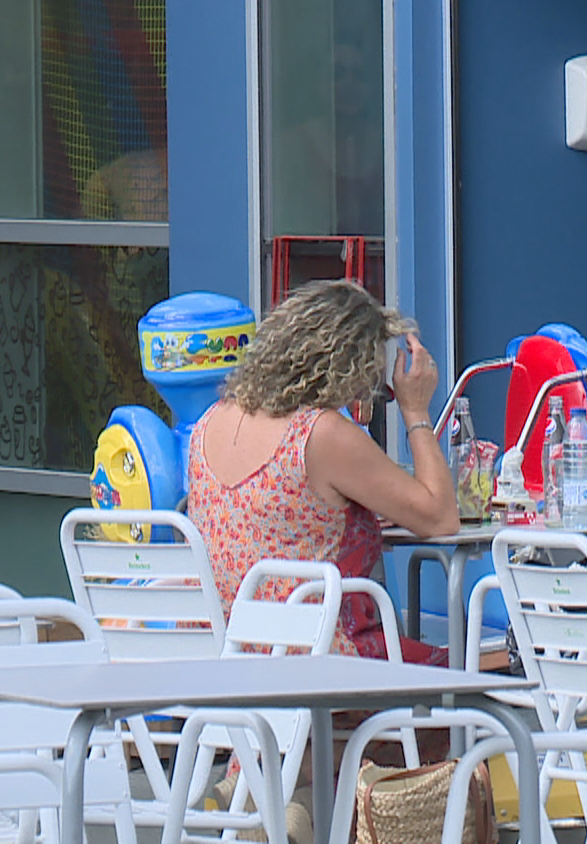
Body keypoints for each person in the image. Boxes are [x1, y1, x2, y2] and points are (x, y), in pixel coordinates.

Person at [185, 278, 460, 665]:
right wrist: (415, 409)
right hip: (316, 662)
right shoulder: (319, 432)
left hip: (228, 663)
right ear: (347, 367)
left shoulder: (210, 422)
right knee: (470, 677)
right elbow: (441, 519)